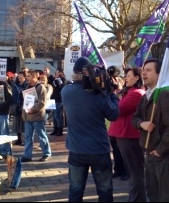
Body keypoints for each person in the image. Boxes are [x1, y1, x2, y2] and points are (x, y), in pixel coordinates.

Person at [61, 57, 119, 202]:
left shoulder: (66, 91)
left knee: (75, 190)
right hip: (99, 150)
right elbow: (113, 115)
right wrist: (111, 93)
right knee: (105, 191)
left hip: (76, 150)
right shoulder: (99, 94)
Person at [132, 59, 169, 202]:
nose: (144, 73)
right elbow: (134, 119)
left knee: (167, 196)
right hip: (148, 153)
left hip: (163, 156)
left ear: (159, 74)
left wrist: (160, 150)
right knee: (153, 195)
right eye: (143, 70)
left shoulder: (166, 95)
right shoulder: (146, 95)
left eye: (148, 70)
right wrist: (142, 123)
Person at [109, 67, 147, 201]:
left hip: (129, 136)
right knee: (132, 172)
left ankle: (137, 199)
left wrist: (113, 94)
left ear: (137, 78)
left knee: (135, 173)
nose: (125, 78)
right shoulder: (130, 92)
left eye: (129, 76)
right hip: (124, 135)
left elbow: (117, 110)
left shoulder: (136, 93)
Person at [21, 70, 52, 162]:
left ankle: (46, 153)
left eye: (29, 76)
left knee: (41, 136)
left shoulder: (40, 87)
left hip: (37, 116)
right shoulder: (27, 87)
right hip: (28, 116)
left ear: (34, 77)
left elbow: (42, 102)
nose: (27, 78)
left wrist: (33, 109)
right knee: (27, 137)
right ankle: (27, 155)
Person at [50, 68, 67, 136]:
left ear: (60, 73)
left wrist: (59, 83)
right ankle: (55, 129)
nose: (56, 73)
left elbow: (62, 88)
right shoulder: (55, 79)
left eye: (58, 72)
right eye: (56, 72)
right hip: (53, 99)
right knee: (54, 116)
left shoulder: (63, 80)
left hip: (59, 100)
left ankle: (60, 130)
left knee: (58, 116)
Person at [12, 71, 27, 145]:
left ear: (24, 77)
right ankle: (19, 139)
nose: (19, 77)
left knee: (24, 124)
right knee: (17, 123)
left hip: (24, 106)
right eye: (19, 76)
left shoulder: (26, 85)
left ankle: (25, 140)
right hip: (17, 106)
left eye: (21, 76)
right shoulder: (16, 85)